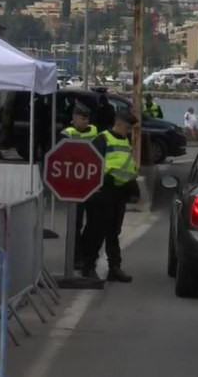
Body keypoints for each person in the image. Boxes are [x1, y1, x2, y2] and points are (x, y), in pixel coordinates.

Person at [80, 110, 140, 282]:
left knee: (113, 232)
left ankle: (114, 267)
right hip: (102, 191)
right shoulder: (102, 139)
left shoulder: (125, 141)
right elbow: (92, 164)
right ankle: (88, 267)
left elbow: (126, 166)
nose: (128, 131)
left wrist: (133, 188)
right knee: (96, 231)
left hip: (118, 193)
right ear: (119, 123)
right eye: (127, 127)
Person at [58, 102, 98, 270]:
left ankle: (86, 254)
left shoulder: (95, 131)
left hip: (91, 184)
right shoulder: (66, 134)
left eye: (87, 118)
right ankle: (75, 257)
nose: (85, 121)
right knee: (75, 224)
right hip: (74, 187)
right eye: (82, 118)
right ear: (74, 118)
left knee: (93, 223)